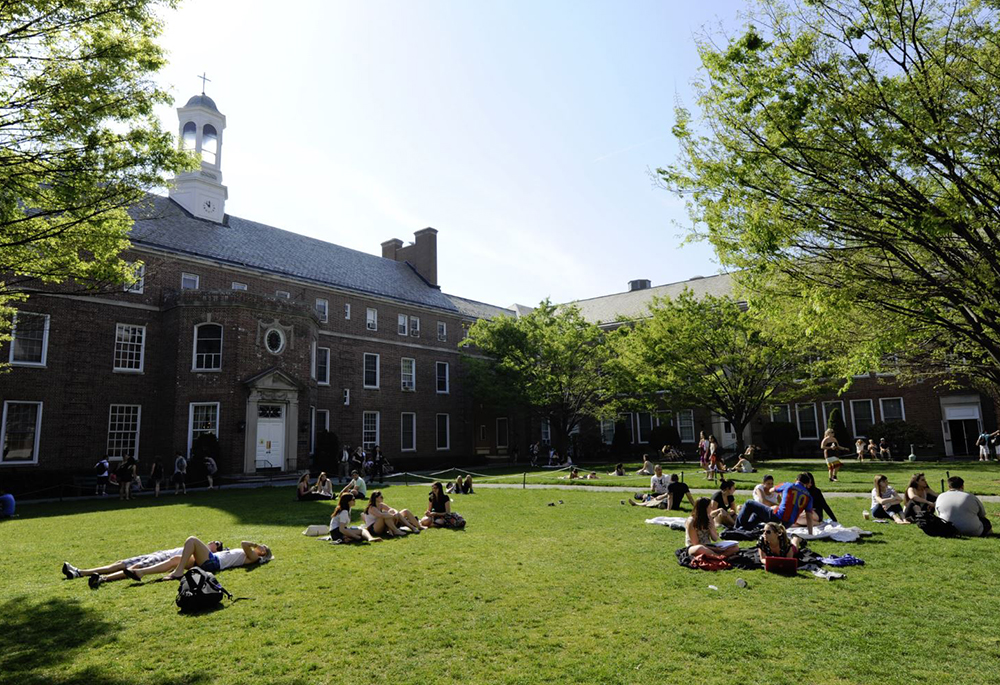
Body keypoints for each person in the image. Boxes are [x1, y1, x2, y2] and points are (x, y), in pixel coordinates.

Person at [63, 541, 225, 589]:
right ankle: (80, 572)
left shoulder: (202, 557)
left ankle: (102, 579)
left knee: (133, 569)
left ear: (216, 550)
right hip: (158, 552)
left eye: (216, 543)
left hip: (162, 559)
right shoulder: (197, 548)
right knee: (121, 563)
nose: (212, 542)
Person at [139, 537, 272, 581]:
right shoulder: (250, 555)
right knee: (175, 559)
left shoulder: (254, 557)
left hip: (213, 562)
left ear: (263, 554)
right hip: (211, 561)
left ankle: (178, 572)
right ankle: (142, 572)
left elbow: (244, 543)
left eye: (264, 548)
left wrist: (256, 545)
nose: (261, 547)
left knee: (192, 540)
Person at [735, 472, 815, 536]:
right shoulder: (809, 497)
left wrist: (780, 492)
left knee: (749, 503)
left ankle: (736, 527)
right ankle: (744, 529)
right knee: (758, 514)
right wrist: (810, 533)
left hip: (777, 517)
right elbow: (809, 517)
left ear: (796, 480)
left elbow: (771, 490)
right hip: (787, 524)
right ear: (807, 484)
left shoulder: (788, 485)